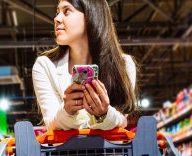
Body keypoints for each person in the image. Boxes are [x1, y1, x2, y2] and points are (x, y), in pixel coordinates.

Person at [32, 0, 138, 131]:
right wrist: (67, 111)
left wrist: (103, 114)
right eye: (57, 12)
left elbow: (122, 120)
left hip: (112, 151)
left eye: (67, 11)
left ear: (90, 16)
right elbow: (50, 123)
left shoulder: (124, 65)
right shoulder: (45, 65)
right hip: (64, 151)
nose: (56, 18)